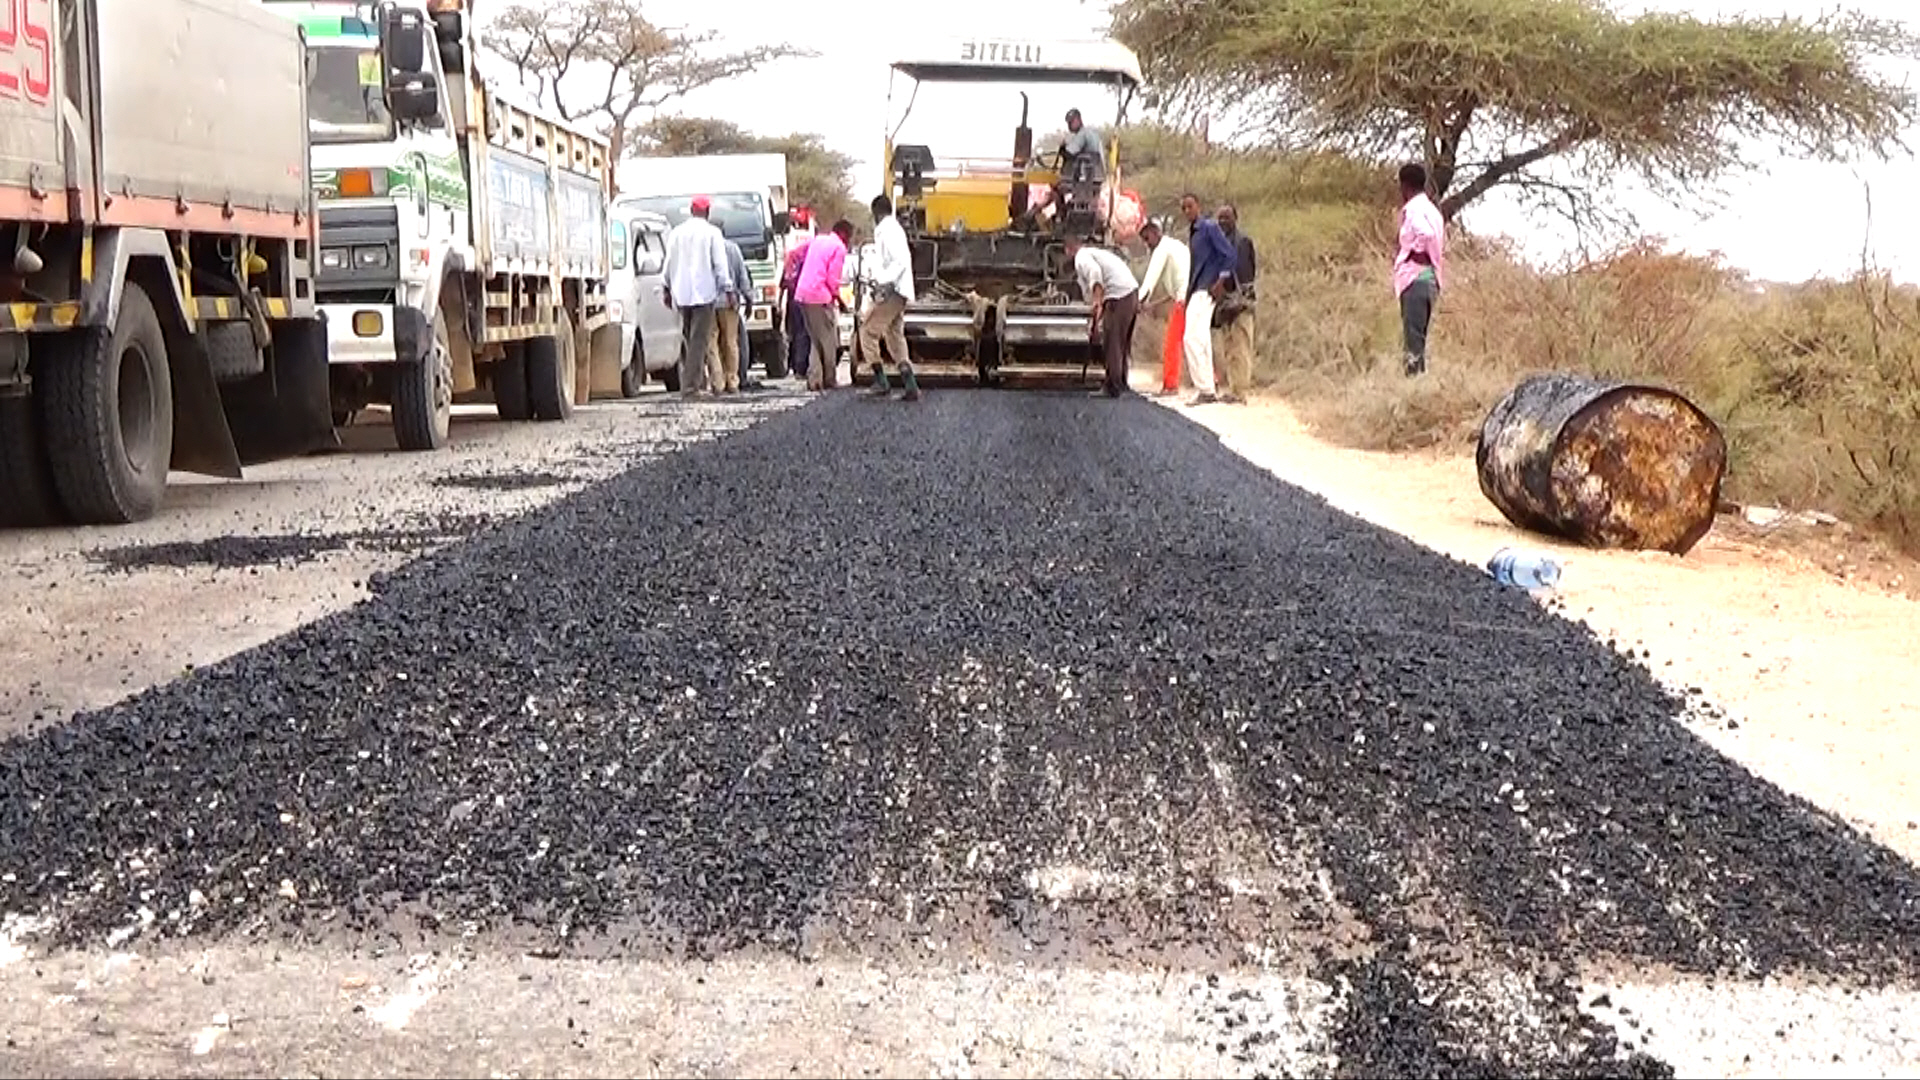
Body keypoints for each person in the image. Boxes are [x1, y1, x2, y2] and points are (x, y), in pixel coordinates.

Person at [661, 195, 734, 398]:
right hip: (704, 294)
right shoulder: (712, 233)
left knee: (689, 338)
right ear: (707, 212)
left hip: (682, 293)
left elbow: (668, 264)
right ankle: (690, 388)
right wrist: (728, 289)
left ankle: (696, 382)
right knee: (698, 341)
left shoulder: (676, 233)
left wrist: (666, 288)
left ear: (692, 210)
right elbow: (720, 264)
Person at [860, 194, 921, 401]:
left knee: (868, 331)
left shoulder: (887, 231)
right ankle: (910, 385)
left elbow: (899, 262)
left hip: (893, 290)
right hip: (899, 290)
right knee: (894, 337)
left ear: (876, 212)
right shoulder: (893, 229)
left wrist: (882, 282)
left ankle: (881, 382)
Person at [1065, 234, 1140, 398]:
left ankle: (1112, 387)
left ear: (1069, 250)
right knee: (1120, 343)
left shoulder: (1081, 257)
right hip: (1130, 294)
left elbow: (1095, 274)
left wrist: (1098, 303)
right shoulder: (1094, 253)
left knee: (1112, 342)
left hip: (1119, 297)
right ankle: (1120, 383)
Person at [1180, 192, 1236, 406]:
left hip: (1207, 288)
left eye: (1190, 206)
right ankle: (1208, 388)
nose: (1187, 211)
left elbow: (1229, 254)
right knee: (1201, 338)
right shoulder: (1194, 233)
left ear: (1198, 206)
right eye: (1184, 208)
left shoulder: (1209, 228)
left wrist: (1220, 280)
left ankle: (1204, 387)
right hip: (1197, 287)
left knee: (1191, 338)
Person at [1395, 162, 1447, 377]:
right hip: (1430, 278)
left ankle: (1413, 387)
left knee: (1413, 342)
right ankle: (1420, 384)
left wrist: (1414, 253)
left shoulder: (1414, 209)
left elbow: (1425, 234)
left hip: (1415, 276)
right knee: (1419, 338)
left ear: (1404, 185)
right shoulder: (1432, 210)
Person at [795, 218, 854, 391]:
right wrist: (839, 300)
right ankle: (829, 379)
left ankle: (814, 379)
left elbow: (797, 255)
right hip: (818, 296)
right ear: (844, 234)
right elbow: (832, 279)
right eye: (849, 237)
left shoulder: (818, 240)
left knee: (815, 339)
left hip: (802, 293)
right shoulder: (839, 248)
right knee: (828, 339)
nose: (849, 241)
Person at [1137, 217, 1190, 396]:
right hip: (1188, 297)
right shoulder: (1176, 246)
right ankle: (1210, 381)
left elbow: (1150, 280)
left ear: (1155, 232)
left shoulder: (1162, 249)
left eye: (1147, 238)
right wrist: (1153, 304)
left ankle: (1171, 385)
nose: (1147, 244)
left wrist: (1139, 301)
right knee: (1194, 343)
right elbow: (1175, 286)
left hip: (1183, 301)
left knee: (1172, 344)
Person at [1214, 203, 1258, 404]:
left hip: (1241, 304)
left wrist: (1239, 297)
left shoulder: (1242, 242)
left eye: (1227, 217)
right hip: (1227, 304)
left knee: (1241, 348)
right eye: (1220, 218)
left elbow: (1246, 274)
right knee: (1230, 349)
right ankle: (1234, 389)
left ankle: (1240, 392)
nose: (1223, 222)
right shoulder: (1222, 243)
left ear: (1235, 219)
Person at [712, 236, 752, 393]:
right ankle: (732, 381)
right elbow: (742, 276)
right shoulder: (733, 248)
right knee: (730, 341)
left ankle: (717, 381)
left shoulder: (705, 249)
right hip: (730, 302)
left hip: (709, 301)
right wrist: (748, 298)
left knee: (712, 343)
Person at [780, 232, 813, 381]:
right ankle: (801, 367)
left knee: (794, 332)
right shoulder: (808, 260)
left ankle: (795, 366)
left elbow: (783, 283)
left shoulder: (791, 259)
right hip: (804, 299)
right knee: (804, 333)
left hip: (792, 299)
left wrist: (779, 303)